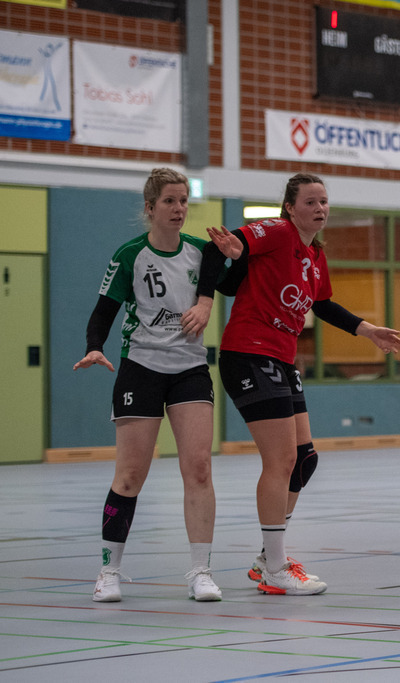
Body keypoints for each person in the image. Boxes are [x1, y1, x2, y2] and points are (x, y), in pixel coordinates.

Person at [190, 172, 400, 596]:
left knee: (304, 460)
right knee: (281, 460)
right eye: (310, 202)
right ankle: (274, 565)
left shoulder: (315, 256)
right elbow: (222, 249)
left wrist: (367, 330)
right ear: (290, 207)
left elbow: (322, 304)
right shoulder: (276, 231)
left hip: (280, 358)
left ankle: (266, 558)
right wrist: (208, 295)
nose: (320, 209)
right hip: (249, 353)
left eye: (324, 202)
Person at [74, 167, 234, 603]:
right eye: (169, 201)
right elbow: (104, 311)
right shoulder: (130, 255)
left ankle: (201, 571)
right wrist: (93, 346)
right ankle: (109, 571)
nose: (179, 208)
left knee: (199, 468)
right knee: (129, 475)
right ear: (150, 208)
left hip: (189, 370)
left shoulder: (204, 252)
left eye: (183, 200)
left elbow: (230, 272)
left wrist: (208, 297)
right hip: (141, 369)